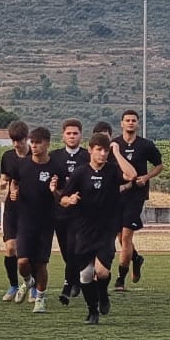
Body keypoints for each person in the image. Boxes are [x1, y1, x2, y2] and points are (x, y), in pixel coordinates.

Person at [57, 131, 139, 324]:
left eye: (105, 150)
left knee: (101, 272)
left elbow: (132, 175)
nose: (103, 154)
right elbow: (63, 199)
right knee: (85, 274)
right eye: (99, 150)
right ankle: (92, 310)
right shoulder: (80, 172)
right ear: (91, 150)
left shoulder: (112, 170)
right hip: (84, 229)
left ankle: (103, 294)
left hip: (106, 228)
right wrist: (70, 199)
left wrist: (117, 153)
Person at [7, 126, 64, 313]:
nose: (34, 146)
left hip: (46, 221)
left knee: (41, 263)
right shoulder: (22, 165)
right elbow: (13, 182)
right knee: (22, 262)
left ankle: (40, 299)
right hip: (25, 220)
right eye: (33, 142)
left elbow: (62, 196)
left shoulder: (56, 167)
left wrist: (54, 191)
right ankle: (27, 281)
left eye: (38, 143)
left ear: (47, 144)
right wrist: (13, 192)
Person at [112, 110, 163, 292]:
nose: (131, 123)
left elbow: (159, 165)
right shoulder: (114, 145)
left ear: (138, 124)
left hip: (136, 196)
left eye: (134, 120)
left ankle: (120, 280)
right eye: (128, 120)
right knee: (120, 237)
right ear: (122, 123)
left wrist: (147, 177)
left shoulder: (146, 145)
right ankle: (136, 258)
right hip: (116, 196)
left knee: (126, 236)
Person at [52, 118, 91, 305]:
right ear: (63, 135)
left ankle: (69, 286)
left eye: (75, 133)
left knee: (75, 248)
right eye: (69, 133)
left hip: (82, 212)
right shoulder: (55, 156)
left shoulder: (88, 156)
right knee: (66, 251)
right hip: (61, 211)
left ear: (81, 136)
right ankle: (76, 279)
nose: (72, 136)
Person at [0, 120, 32, 302]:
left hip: (31, 209)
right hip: (12, 208)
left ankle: (33, 286)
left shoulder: (35, 156)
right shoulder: (7, 156)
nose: (16, 144)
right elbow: (5, 177)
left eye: (19, 140)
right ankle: (13, 285)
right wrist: (4, 183)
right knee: (10, 248)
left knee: (29, 251)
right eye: (13, 140)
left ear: (26, 139)